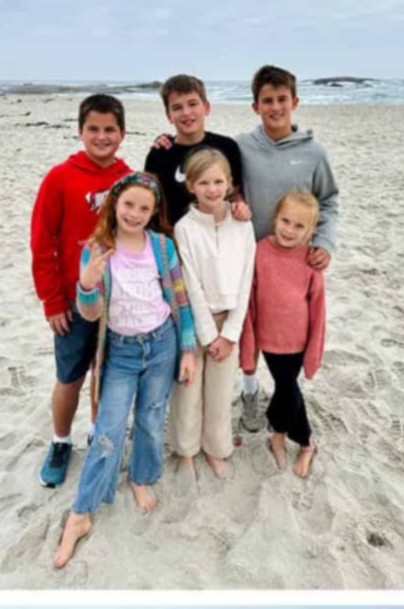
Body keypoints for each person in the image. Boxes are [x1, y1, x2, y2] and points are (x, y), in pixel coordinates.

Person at [53, 172, 197, 570]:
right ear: (114, 203)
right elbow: (91, 314)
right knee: (108, 429)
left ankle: (140, 476)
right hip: (121, 351)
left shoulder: (163, 247)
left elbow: (181, 300)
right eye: (128, 204)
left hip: (162, 343)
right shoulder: (98, 249)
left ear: (153, 213)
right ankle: (81, 512)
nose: (134, 213)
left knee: (151, 417)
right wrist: (86, 285)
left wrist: (187, 349)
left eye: (144, 208)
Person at [31, 93, 130, 489]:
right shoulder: (60, 177)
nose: (102, 137)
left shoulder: (128, 178)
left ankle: (96, 433)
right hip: (73, 301)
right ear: (80, 131)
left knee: (104, 374)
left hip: (118, 299)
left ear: (122, 133)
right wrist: (52, 301)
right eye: (94, 129)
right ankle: (60, 441)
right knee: (69, 376)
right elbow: (43, 244)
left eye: (110, 129)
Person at [235, 64, 339, 432]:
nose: (275, 107)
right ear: (255, 106)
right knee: (249, 327)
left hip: (295, 263)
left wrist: (324, 242)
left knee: (288, 333)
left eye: (282, 99)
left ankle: (285, 393)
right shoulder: (242, 147)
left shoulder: (314, 152)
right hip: (251, 258)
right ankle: (249, 392)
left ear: (294, 102)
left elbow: (328, 201)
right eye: (267, 101)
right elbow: (212, 166)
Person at [171, 149, 257, 481]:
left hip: (229, 322)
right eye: (204, 182)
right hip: (193, 324)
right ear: (191, 186)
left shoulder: (243, 226)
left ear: (230, 183)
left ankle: (215, 448)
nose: (212, 189)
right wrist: (208, 335)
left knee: (220, 394)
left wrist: (230, 333)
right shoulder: (184, 228)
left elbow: (246, 280)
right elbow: (189, 283)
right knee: (188, 391)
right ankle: (186, 451)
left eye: (219, 182)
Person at [239, 189, 327, 478]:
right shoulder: (260, 251)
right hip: (268, 338)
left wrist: (314, 349)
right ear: (275, 219)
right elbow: (250, 300)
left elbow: (318, 307)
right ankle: (297, 439)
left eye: (299, 226)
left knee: (287, 388)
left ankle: (287, 436)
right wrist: (249, 342)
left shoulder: (311, 260)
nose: (290, 230)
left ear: (310, 230)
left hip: (298, 340)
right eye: (285, 221)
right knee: (287, 387)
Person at [144, 73, 246, 229]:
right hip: (173, 237)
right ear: (169, 115)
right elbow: (150, 202)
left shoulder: (227, 147)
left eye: (192, 104)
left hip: (218, 233)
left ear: (206, 107)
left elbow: (235, 193)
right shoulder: (159, 154)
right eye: (177, 107)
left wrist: (240, 206)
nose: (186, 112)